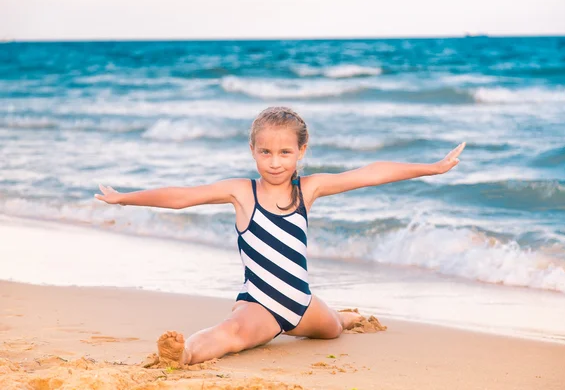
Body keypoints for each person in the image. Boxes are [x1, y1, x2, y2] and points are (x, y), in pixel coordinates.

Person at [95, 106, 466, 366]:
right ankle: (184, 352)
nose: (275, 162)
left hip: (301, 303)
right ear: (253, 151)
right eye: (266, 152)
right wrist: (125, 198)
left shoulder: (308, 190)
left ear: (301, 151)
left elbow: (371, 173)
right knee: (231, 335)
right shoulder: (242, 192)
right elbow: (182, 196)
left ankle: (346, 315)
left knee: (334, 328)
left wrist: (432, 168)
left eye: (285, 152)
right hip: (261, 304)